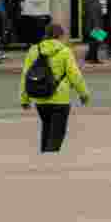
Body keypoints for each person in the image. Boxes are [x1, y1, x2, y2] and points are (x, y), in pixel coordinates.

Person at [19, 23, 91, 153]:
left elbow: (26, 75)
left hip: (40, 98)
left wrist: (24, 99)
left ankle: (44, 157)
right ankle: (49, 160)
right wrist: (83, 94)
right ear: (60, 36)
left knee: (46, 129)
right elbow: (74, 74)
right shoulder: (64, 51)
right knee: (57, 135)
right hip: (60, 99)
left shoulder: (34, 50)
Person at [84, 0, 104, 64]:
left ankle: (92, 58)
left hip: (95, 23)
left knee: (97, 41)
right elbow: (92, 13)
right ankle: (92, 58)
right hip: (93, 24)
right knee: (94, 42)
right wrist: (96, 26)